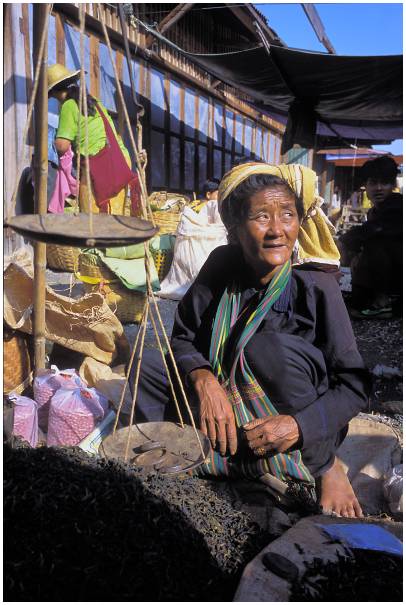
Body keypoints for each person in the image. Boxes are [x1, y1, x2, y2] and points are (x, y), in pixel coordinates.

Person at [130, 162, 370, 518]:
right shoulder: (222, 266)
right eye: (261, 217)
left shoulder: (317, 289)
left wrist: (297, 426)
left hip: (293, 419)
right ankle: (203, 443)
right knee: (145, 367)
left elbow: (355, 386)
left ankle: (325, 466)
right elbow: (183, 337)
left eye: (287, 215)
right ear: (235, 231)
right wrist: (205, 380)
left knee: (265, 348)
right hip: (227, 391)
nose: (277, 231)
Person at [47, 63, 138, 215]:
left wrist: (51, 140)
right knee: (115, 217)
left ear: (55, 92)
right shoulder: (93, 101)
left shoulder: (69, 106)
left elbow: (62, 145)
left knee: (92, 221)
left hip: (99, 166)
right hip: (120, 160)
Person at [340, 156, 402, 317]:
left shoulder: (398, 205)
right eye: (373, 183)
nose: (379, 188)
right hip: (391, 273)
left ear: (393, 185)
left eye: (385, 183)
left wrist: (344, 243)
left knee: (374, 242)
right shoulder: (374, 211)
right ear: (365, 187)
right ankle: (377, 299)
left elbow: (373, 230)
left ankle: (384, 301)